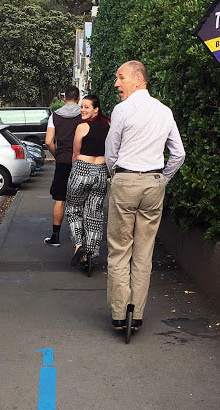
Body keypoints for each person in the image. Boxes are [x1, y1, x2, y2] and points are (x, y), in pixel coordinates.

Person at [105, 60, 185, 330]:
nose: (117, 83)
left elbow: (111, 151)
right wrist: (163, 178)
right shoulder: (164, 111)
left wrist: (116, 174)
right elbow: (179, 153)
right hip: (153, 182)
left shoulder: (122, 110)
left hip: (126, 179)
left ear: (138, 80)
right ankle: (136, 314)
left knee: (119, 250)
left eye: (121, 77)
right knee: (143, 252)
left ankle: (119, 314)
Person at [65, 95, 110, 266]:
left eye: (86, 107)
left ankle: (78, 246)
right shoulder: (109, 125)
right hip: (100, 171)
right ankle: (90, 254)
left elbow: (75, 154)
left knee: (73, 209)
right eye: (81, 107)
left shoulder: (82, 127)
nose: (82, 110)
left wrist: (73, 173)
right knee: (94, 213)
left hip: (82, 169)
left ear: (96, 109)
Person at [44, 85, 82, 246]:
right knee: (82, 200)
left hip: (63, 161)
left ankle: (55, 236)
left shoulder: (55, 116)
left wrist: (57, 154)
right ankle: (80, 239)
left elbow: (48, 141)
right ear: (79, 98)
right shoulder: (84, 114)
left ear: (64, 98)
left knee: (60, 199)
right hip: (82, 161)